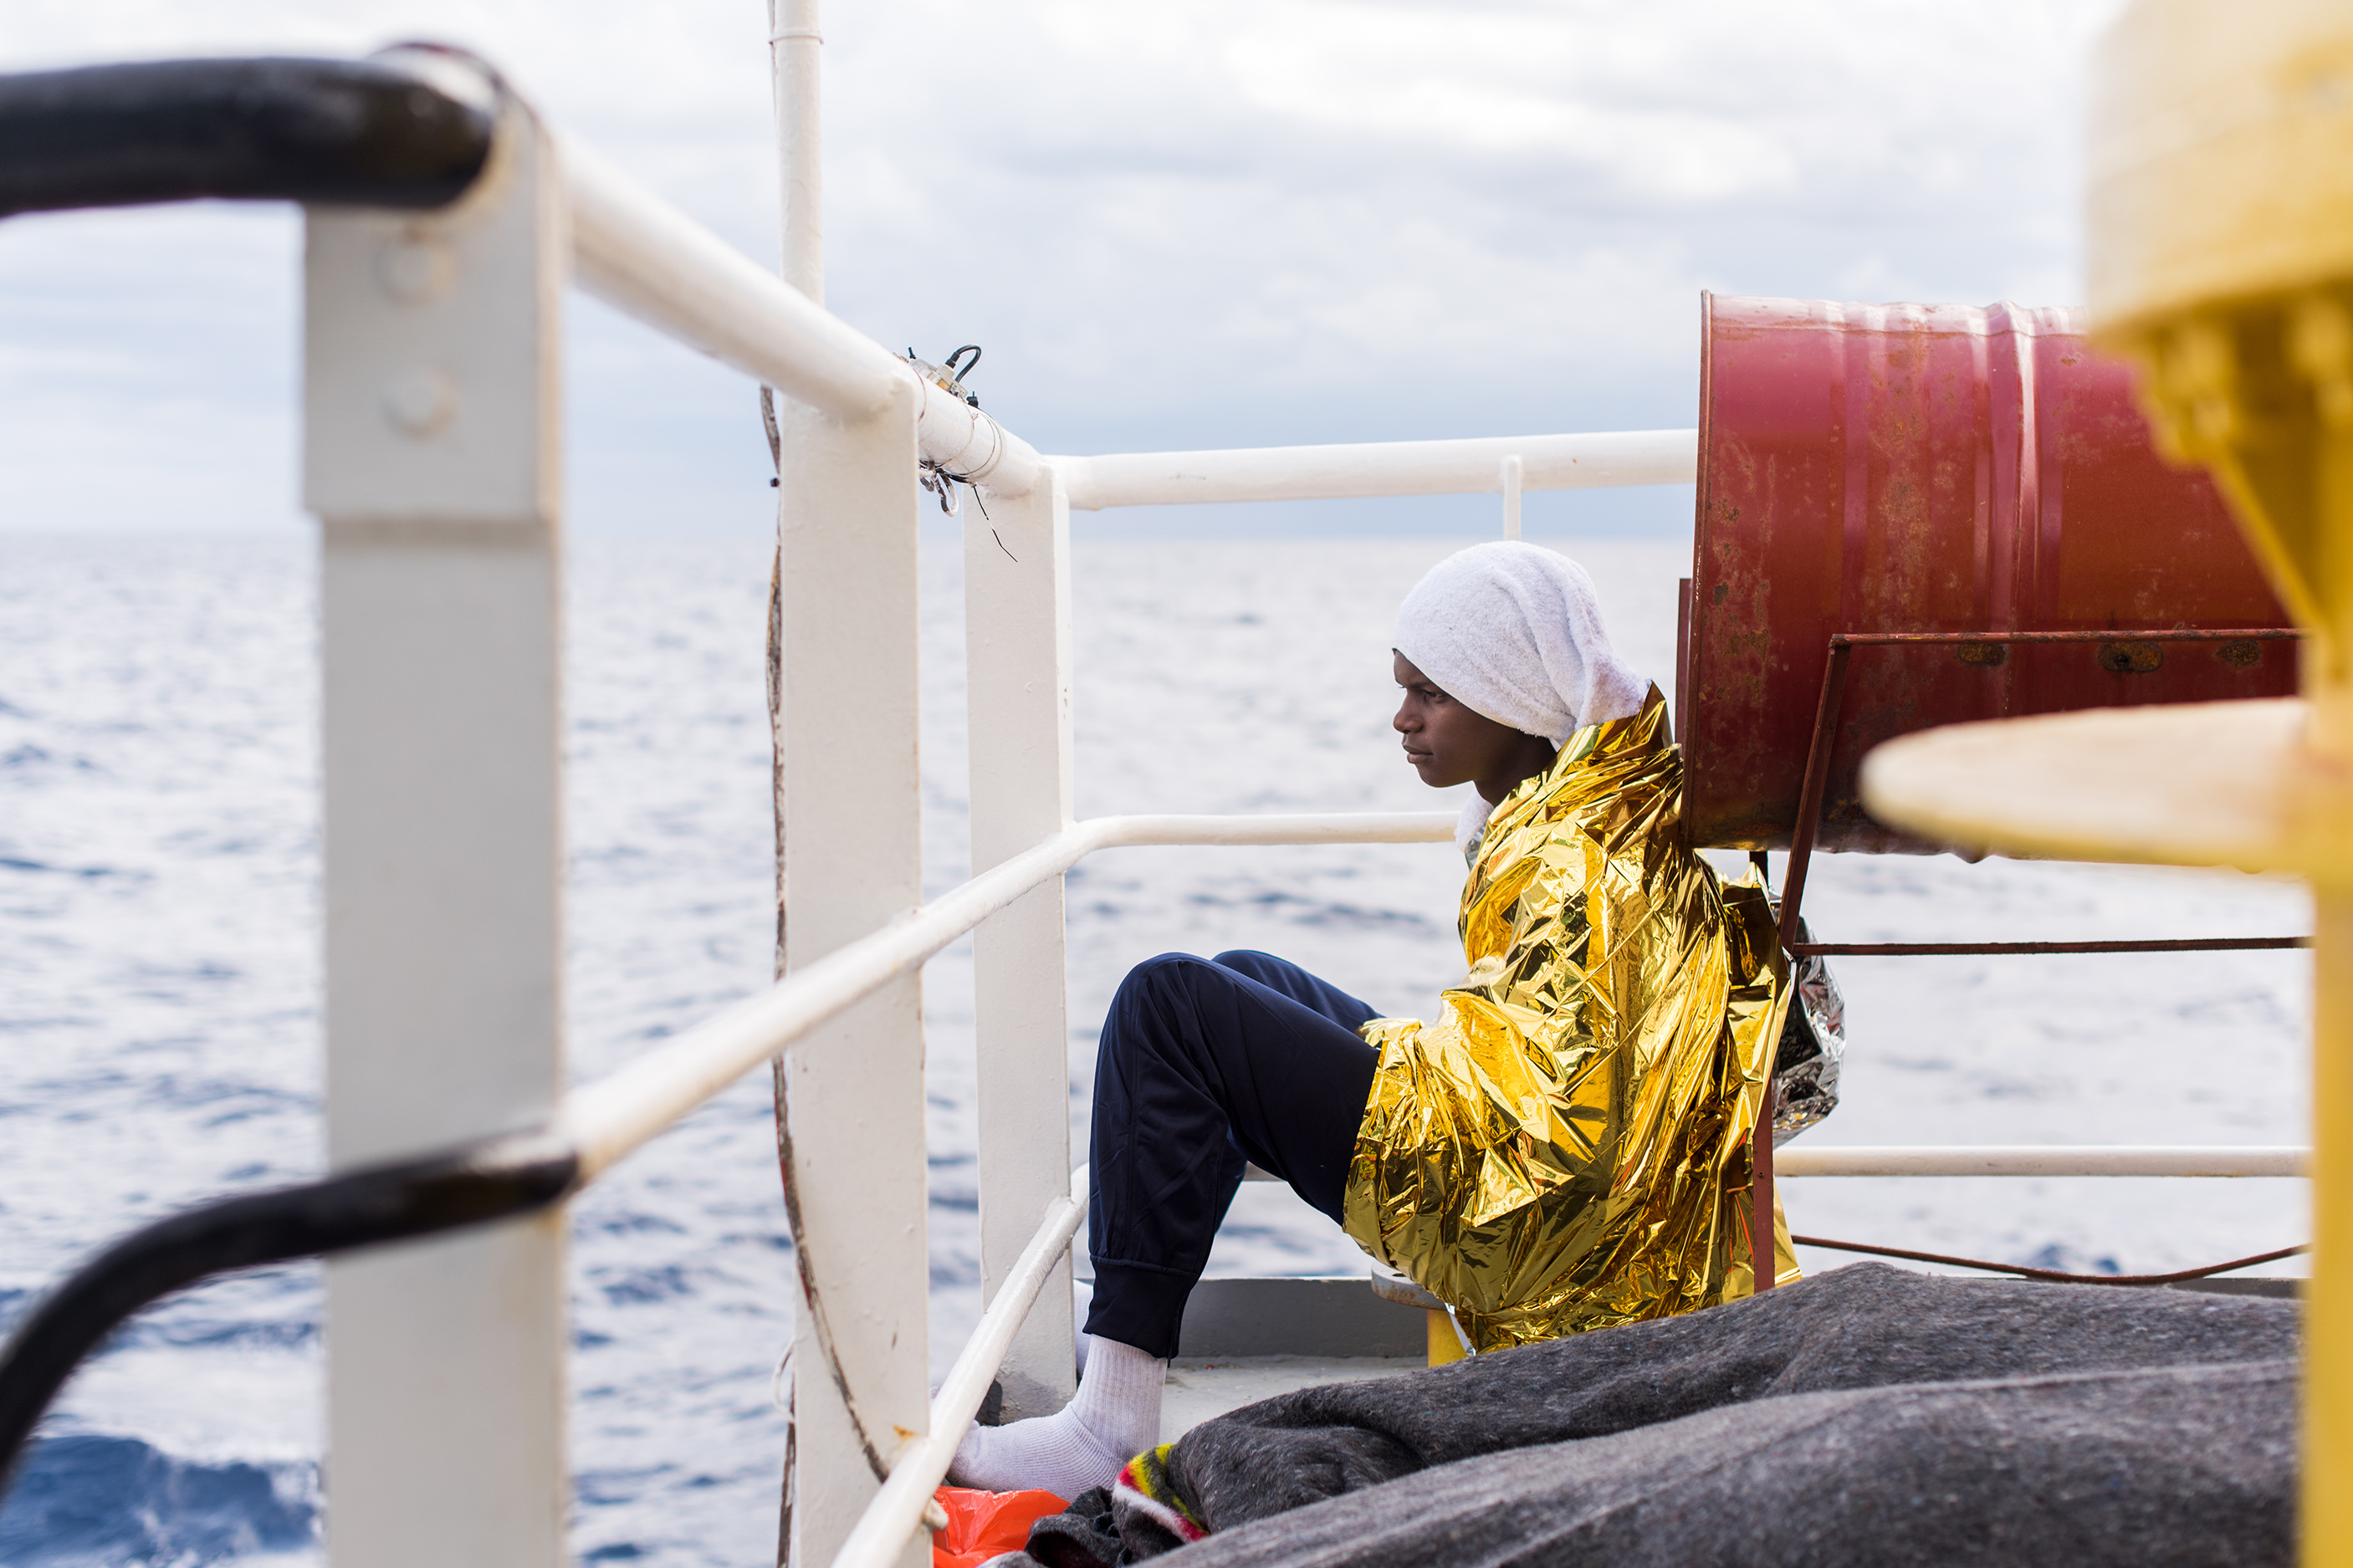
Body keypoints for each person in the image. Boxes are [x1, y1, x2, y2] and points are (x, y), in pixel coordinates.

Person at [951, 541, 1796, 1499]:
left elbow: (1569, 1141)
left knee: (1169, 1007)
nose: (1401, 719)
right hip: (1563, 1174)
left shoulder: (1581, 866)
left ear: (1513, 698)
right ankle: (1125, 1353)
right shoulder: (1594, 810)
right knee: (1243, 981)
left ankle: (1107, 1421)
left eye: (1430, 694)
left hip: (1529, 1212)